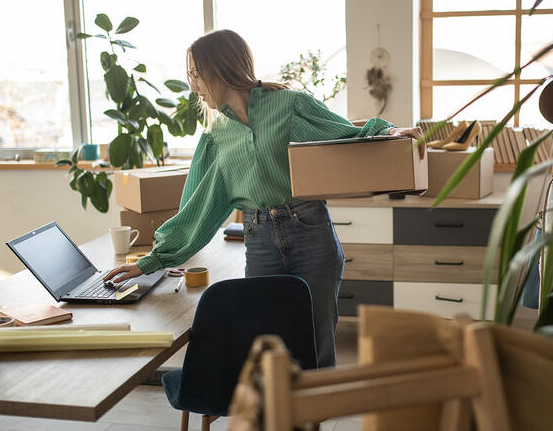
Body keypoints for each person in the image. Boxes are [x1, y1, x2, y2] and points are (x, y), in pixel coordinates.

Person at [104, 29, 424, 367]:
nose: (193, 85)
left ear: (220, 67)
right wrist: (151, 261)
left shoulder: (288, 105)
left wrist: (389, 132)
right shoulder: (216, 136)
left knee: (316, 347)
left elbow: (343, 133)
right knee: (269, 352)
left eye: (196, 75)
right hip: (260, 244)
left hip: (311, 234)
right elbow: (198, 209)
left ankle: (315, 413)